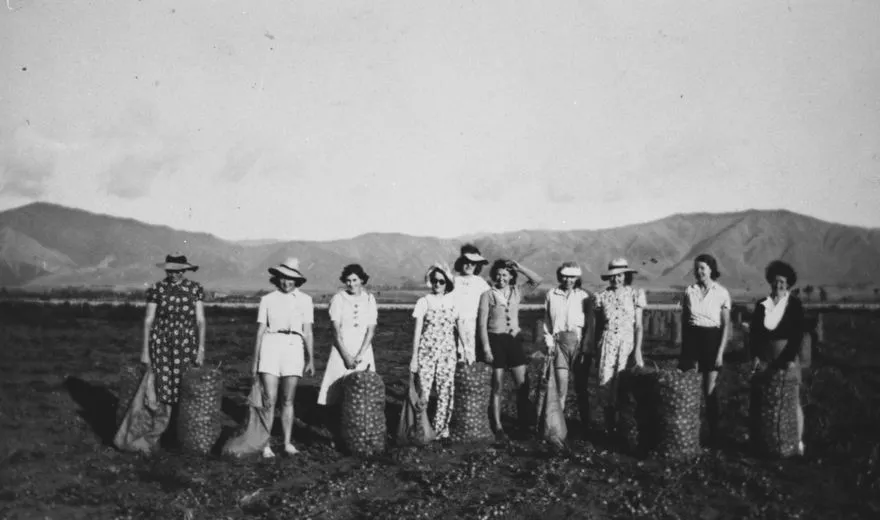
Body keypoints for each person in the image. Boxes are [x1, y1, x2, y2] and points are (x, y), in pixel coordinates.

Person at [126, 252, 206, 451]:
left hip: (186, 343)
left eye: (178, 271)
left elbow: (200, 321)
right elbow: (148, 320)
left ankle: (182, 435)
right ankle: (160, 432)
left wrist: (200, 349)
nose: (174, 274)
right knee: (162, 386)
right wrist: (145, 350)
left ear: (185, 270)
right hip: (161, 343)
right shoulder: (157, 289)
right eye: (171, 271)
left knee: (184, 387)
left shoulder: (194, 289)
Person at [250, 258, 316, 458]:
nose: (286, 282)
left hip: (294, 347)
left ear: (297, 280)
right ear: (277, 278)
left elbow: (308, 331)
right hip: (271, 346)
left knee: (288, 400)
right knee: (270, 399)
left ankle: (287, 443)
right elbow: (260, 331)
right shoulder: (268, 299)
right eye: (283, 278)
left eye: (291, 279)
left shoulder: (305, 300)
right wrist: (255, 361)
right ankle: (266, 444)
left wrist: (311, 358)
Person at [477, 258, 543, 440]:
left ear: (511, 276)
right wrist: (486, 349)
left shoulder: (517, 292)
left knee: (523, 385)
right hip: (495, 341)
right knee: (497, 386)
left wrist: (519, 267)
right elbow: (481, 325)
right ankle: (497, 426)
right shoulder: (487, 295)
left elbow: (537, 280)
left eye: (505, 274)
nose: (501, 278)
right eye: (498, 274)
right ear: (493, 276)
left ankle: (524, 424)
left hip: (513, 341)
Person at [748, 260, 806, 454]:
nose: (778, 285)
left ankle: (796, 442)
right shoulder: (762, 305)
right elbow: (754, 334)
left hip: (787, 355)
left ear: (788, 284)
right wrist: (755, 355)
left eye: (782, 282)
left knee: (792, 398)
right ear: (770, 282)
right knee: (764, 398)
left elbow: (798, 335)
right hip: (766, 355)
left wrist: (789, 358)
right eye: (775, 281)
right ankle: (763, 440)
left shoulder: (794, 305)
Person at [679, 253, 731, 444]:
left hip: (712, 339)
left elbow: (726, 325)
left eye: (703, 268)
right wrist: (685, 349)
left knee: (710, 391)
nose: (699, 272)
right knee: (688, 389)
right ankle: (688, 434)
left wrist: (720, 353)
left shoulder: (721, 292)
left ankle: (714, 434)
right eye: (697, 268)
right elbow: (685, 321)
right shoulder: (689, 291)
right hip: (692, 340)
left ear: (711, 269)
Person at [590, 258, 646, 435]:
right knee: (606, 385)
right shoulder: (602, 297)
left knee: (625, 386)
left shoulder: (635, 294)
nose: (616, 279)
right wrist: (595, 347)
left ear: (626, 276)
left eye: (620, 275)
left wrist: (637, 350)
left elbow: (638, 326)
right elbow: (597, 326)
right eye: (613, 276)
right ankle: (609, 428)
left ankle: (626, 428)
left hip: (627, 345)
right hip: (607, 344)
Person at [410, 263, 460, 440]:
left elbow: (458, 327)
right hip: (427, 351)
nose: (438, 284)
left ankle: (441, 429)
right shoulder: (423, 302)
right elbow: (417, 332)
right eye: (434, 280)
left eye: (441, 281)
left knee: (445, 390)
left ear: (447, 282)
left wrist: (464, 349)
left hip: (448, 352)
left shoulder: (453, 301)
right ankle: (420, 428)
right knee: (423, 389)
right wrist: (414, 358)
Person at [318, 264, 378, 407]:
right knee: (337, 389)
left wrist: (360, 355)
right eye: (348, 280)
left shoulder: (369, 299)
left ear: (362, 280)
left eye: (355, 280)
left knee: (363, 390)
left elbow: (371, 330)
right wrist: (346, 356)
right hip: (342, 348)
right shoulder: (338, 299)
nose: (351, 284)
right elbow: (335, 331)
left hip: (363, 349)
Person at [542, 261, 590, 412]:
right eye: (564, 277)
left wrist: (585, 347)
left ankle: (585, 426)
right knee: (560, 389)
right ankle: (558, 429)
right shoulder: (552, 294)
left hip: (578, 345)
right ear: (559, 277)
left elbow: (589, 324)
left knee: (581, 388)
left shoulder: (584, 296)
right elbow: (547, 323)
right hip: (559, 345)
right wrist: (550, 344)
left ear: (577, 278)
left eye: (572, 277)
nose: (568, 280)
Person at [452, 244, 491, 364]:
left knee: (470, 357)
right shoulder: (453, 280)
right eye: (466, 262)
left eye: (473, 263)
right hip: (453, 325)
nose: (469, 265)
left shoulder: (481, 283)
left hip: (473, 326)